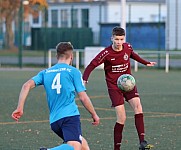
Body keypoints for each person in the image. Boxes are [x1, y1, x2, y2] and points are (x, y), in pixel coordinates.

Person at [11, 42, 100, 150]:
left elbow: (26, 86)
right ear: (71, 57)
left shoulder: (46, 72)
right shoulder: (74, 72)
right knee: (75, 146)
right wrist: (94, 114)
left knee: (83, 146)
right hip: (69, 117)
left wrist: (19, 108)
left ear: (56, 56)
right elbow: (83, 97)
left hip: (55, 121)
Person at [83, 26, 156, 150]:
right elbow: (92, 64)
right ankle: (117, 148)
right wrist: (84, 78)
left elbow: (132, 54)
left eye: (121, 39)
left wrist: (145, 62)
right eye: (116, 39)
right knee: (122, 117)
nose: (119, 42)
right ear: (112, 38)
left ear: (124, 39)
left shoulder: (127, 47)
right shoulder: (106, 53)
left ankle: (142, 142)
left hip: (128, 83)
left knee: (138, 107)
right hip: (114, 87)